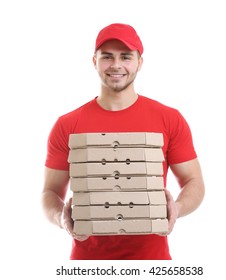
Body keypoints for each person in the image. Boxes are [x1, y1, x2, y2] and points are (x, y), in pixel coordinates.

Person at [41, 23, 205, 260]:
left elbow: (194, 181)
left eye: (125, 57)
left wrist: (176, 209)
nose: (116, 65)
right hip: (88, 263)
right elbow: (50, 191)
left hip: (152, 262)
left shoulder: (169, 119)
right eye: (107, 57)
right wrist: (60, 218)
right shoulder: (67, 125)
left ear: (140, 62)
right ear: (94, 61)